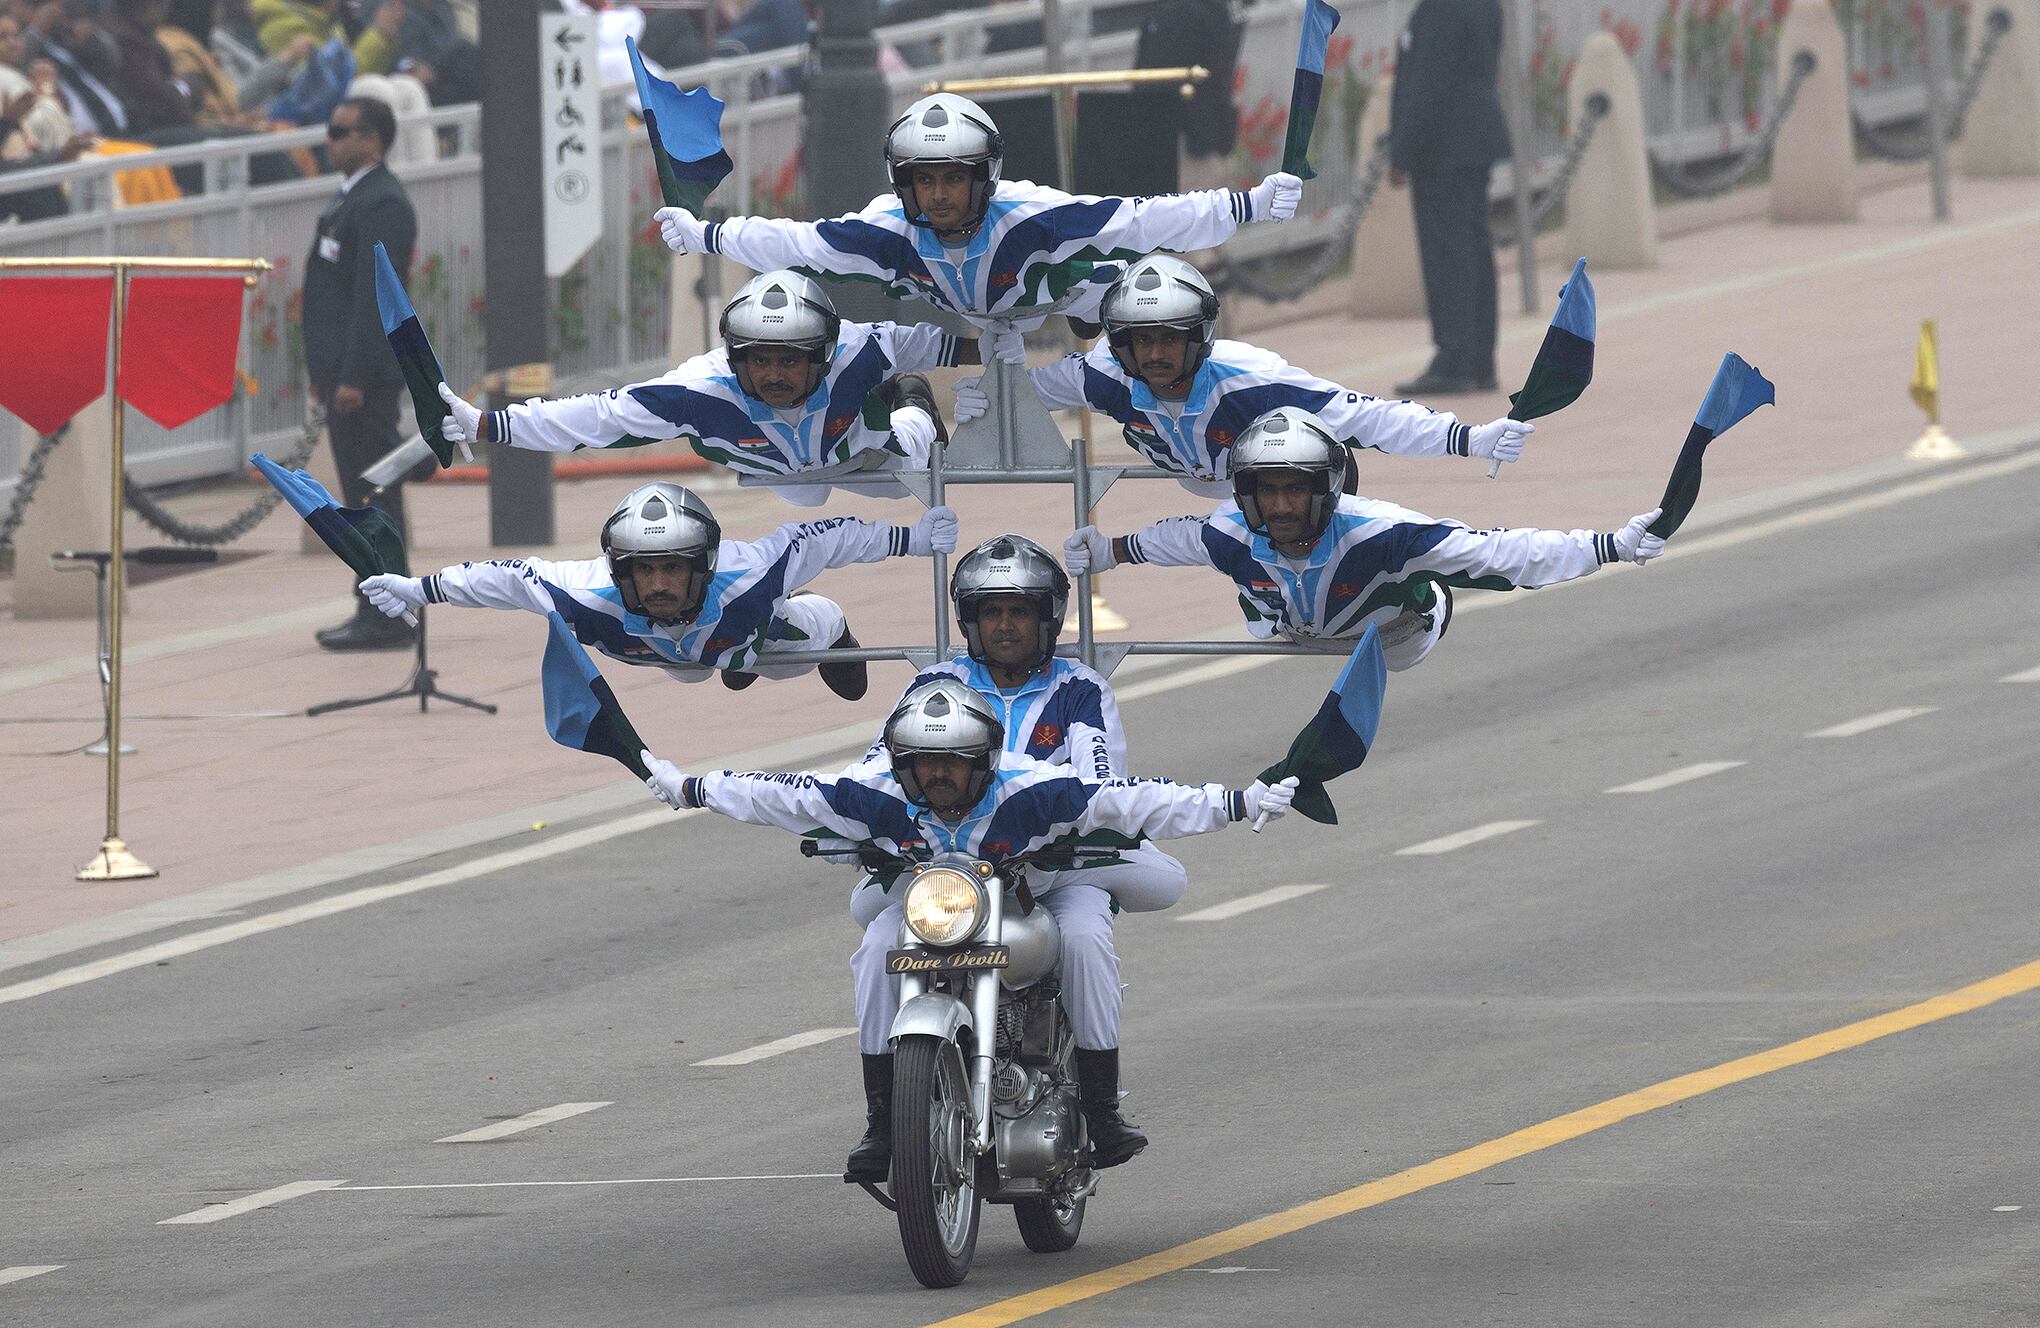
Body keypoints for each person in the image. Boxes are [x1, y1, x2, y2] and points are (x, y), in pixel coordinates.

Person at [639, 677, 1302, 1176]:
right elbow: (776, 792)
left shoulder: (1032, 789)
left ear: (985, 759)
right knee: (873, 949)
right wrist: (691, 787)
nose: (940, 774)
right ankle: (881, 1125)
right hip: (934, 896)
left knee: (1083, 940)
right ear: (901, 761)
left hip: (1022, 893)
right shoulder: (874, 794)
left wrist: (1239, 800)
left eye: (954, 761)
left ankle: (1100, 1109)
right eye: (925, 762)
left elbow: (1136, 798)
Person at [652, 91, 1303, 352]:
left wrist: (1249, 204)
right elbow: (795, 242)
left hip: (1068, 292)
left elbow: (1147, 220)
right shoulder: (885, 230)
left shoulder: (1037, 216)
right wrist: (705, 232)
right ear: (902, 183)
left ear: (985, 177)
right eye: (924, 180)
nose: (939, 195)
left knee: (1142, 297)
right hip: (977, 320)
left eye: (954, 178)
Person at [1063, 406, 1666, 671]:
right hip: (1288, 625)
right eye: (1264, 490)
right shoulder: (1231, 530)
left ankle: (1425, 605)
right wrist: (1110, 551)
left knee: (1408, 635)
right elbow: (1179, 539)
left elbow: (1504, 555)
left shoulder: (1386, 535)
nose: (1278, 506)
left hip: (1395, 635)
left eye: (1294, 490)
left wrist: (1611, 545)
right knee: (1246, 583)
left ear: (1328, 489)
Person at [956, 253, 1534, 497]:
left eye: (1169, 340)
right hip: (1198, 481)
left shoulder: (1252, 381)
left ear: (1201, 337)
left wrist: (1468, 438)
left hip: (1265, 489)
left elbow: (1367, 416)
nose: (1154, 355)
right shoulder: (1104, 374)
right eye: (1140, 341)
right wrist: (976, 400)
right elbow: (1024, 389)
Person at [845, 533, 1190, 925]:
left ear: (1047, 617)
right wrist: (858, 825)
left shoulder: (1080, 688)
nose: (1005, 626)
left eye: (1020, 612)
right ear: (971, 620)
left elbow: (1100, 782)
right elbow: (878, 769)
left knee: (1089, 930)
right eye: (992, 612)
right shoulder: (934, 684)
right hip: (946, 866)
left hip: (1053, 867)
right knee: (873, 926)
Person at [358, 482, 959, 698]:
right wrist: (419, 588)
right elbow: (505, 579)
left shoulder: (749, 572)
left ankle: (824, 624)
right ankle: (722, 661)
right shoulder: (587, 593)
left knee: (785, 651)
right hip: (675, 656)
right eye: (644, 572)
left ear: (706, 563)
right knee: (694, 670)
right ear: (619, 572)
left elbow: (825, 538)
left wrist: (909, 537)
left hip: (753, 633)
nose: (660, 584)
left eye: (673, 568)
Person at [434, 270, 978, 508]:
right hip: (780, 472)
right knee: (804, 494)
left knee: (922, 471)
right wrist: (487, 424)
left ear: (823, 353)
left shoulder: (863, 348)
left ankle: (911, 405)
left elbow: (941, 343)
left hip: (865, 454)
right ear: (732, 355)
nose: (773, 375)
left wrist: (1005, 353)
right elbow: (599, 418)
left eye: (790, 360)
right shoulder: (701, 388)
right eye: (757, 360)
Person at [300, 93, 418, 651]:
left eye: (341, 130)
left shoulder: (382, 204)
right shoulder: (351, 198)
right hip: (343, 376)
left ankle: (388, 615)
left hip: (363, 382)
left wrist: (353, 376)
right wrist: (322, 369)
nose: (331, 140)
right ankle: (376, 604)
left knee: (374, 499)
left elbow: (376, 301)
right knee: (362, 496)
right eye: (331, 129)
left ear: (372, 139)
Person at [1386, 0, 1511, 396]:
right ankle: (1479, 358)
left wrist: (1402, 151)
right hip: (1471, 140)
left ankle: (1454, 359)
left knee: (1449, 255)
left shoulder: (1442, 8)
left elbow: (1428, 82)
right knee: (1473, 249)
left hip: (1443, 147)